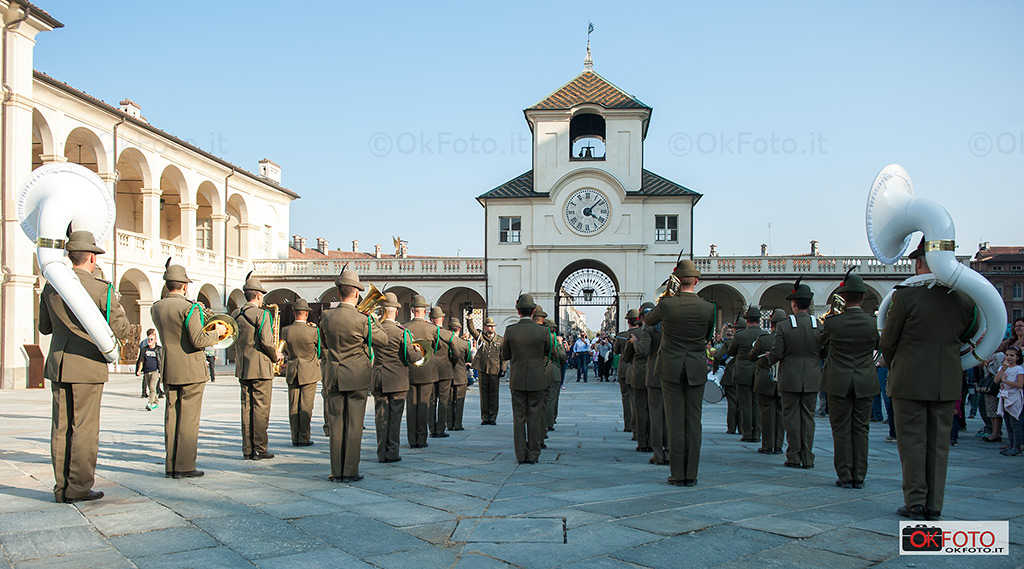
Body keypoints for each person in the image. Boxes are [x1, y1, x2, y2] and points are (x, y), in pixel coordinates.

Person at [881, 238, 978, 521]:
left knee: (912, 442)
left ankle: (916, 502)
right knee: (939, 444)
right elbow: (970, 333)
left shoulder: (905, 296)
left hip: (909, 379)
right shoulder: (964, 298)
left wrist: (897, 360)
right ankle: (935, 504)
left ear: (920, 262)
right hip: (946, 379)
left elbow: (888, 342)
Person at [39, 231, 130, 503]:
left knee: (61, 428)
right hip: (88, 366)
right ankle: (78, 487)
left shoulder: (52, 287)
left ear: (70, 256)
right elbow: (121, 329)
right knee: (84, 428)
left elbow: (44, 327)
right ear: (92, 257)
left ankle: (61, 488)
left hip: (59, 363)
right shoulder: (102, 289)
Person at [151, 261, 227, 479]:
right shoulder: (189, 308)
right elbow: (198, 339)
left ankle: (171, 465)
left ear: (167, 285)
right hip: (191, 369)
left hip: (169, 366)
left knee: (172, 417)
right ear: (184, 286)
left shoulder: (156, 307)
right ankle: (184, 466)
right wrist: (218, 331)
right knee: (188, 420)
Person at [645, 260, 716, 487]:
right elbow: (707, 336)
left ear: (676, 280)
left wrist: (668, 294)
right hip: (695, 366)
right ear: (696, 281)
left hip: (671, 367)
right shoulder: (708, 308)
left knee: (675, 420)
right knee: (694, 421)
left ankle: (678, 473)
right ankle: (691, 473)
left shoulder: (667, 304)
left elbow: (648, 320)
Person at [320, 267, 387, 481]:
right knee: (354, 425)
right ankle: (350, 471)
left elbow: (324, 343)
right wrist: (373, 319)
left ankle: (336, 471)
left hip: (333, 375)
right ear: (357, 293)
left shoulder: (326, 316)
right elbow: (383, 340)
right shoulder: (363, 319)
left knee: (336, 424)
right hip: (357, 376)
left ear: (338, 292)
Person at [817, 272, 879, 489]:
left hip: (838, 381)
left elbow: (819, 344)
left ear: (843, 296)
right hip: (865, 380)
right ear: (862, 297)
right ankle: (859, 475)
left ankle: (845, 475)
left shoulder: (833, 322)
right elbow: (880, 346)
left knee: (841, 429)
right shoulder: (873, 323)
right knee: (861, 429)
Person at [768, 277, 823, 470]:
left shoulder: (784, 326)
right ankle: (807, 457)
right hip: (812, 377)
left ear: (793, 303)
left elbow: (776, 353)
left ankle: (793, 455)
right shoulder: (818, 325)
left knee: (791, 418)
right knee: (808, 418)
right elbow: (824, 351)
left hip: (790, 377)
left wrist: (767, 359)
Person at [230, 273, 281, 460]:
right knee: (261, 408)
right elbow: (266, 342)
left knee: (246, 408)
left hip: (243, 366)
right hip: (260, 368)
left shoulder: (235, 314)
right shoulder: (262, 314)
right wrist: (276, 356)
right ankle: (260, 447)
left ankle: (247, 449)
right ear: (259, 296)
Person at [372, 292, 422, 463]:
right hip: (398, 380)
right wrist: (418, 352)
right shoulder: (402, 332)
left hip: (379, 378)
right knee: (395, 419)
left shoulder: (375, 330)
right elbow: (411, 357)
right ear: (396, 312)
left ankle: (381, 453)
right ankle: (392, 453)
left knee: (380, 418)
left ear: (382, 311)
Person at [501, 294, 550, 463]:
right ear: (534, 311)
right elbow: (549, 352)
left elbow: (505, 355)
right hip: (537, 379)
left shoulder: (510, 330)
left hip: (517, 378)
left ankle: (521, 455)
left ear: (518, 311)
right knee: (535, 417)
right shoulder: (543, 331)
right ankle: (534, 454)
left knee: (519, 418)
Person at [281, 298, 321, 447]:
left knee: (293, 405)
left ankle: (294, 436)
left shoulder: (286, 331)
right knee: (306, 406)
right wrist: (315, 328)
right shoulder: (313, 331)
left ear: (294, 313)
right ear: (306, 313)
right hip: (309, 371)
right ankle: (304, 437)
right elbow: (320, 349)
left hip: (292, 369)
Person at [749, 309, 787, 455]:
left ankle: (767, 444)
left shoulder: (764, 339)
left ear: (771, 324)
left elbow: (751, 357)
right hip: (782, 378)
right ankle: (778, 445)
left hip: (765, 378)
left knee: (765, 413)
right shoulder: (789, 338)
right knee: (780, 413)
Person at [405, 295, 439, 446]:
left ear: (412, 310)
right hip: (427, 371)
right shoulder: (432, 328)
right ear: (425, 311)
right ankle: (422, 439)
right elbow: (436, 348)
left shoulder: (404, 328)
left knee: (411, 406)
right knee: (424, 405)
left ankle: (412, 439)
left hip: (410, 370)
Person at [729, 307, 764, 443]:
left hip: (743, 371)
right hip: (758, 371)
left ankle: (747, 433)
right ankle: (757, 433)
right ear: (759, 320)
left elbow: (731, 352)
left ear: (747, 320)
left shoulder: (740, 335)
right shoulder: (764, 334)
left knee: (745, 404)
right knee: (757, 404)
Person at [637, 312, 667, 464]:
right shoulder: (674, 323)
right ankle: (670, 451)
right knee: (672, 415)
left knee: (656, 415)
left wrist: (635, 343)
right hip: (673, 371)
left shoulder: (650, 327)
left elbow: (643, 350)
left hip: (655, 372)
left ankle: (658, 454)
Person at [625, 303, 655, 452]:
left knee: (640, 409)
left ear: (641, 317)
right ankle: (655, 441)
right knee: (655, 409)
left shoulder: (635, 334)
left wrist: (633, 343)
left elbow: (626, 357)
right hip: (655, 373)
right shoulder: (661, 330)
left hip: (639, 374)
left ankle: (642, 441)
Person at [468, 316, 504, 425]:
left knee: (494, 394)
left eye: (493, 326)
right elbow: (472, 329)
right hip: (482, 368)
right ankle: (485, 417)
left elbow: (503, 356)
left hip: (494, 369)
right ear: (485, 327)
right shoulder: (481, 337)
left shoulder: (500, 339)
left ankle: (492, 417)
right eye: (489, 326)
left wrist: (503, 368)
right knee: (483, 394)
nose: (492, 328)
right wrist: (469, 318)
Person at [428, 306, 455, 438]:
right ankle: (440, 428)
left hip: (430, 369)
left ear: (431, 319)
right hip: (445, 369)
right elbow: (456, 353)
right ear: (442, 319)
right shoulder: (448, 334)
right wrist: (451, 363)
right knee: (443, 400)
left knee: (431, 401)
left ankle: (432, 428)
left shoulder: (427, 332)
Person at [994, 346, 1023, 456]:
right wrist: (1003, 369)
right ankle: (1011, 445)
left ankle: (1017, 447)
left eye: (1012, 355)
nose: (1009, 357)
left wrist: (1006, 382)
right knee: (1008, 423)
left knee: (1015, 423)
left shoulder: (1019, 369)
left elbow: (1019, 384)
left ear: (1017, 357)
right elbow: (996, 380)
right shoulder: (1002, 368)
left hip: (1014, 397)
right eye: (1007, 355)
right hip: (1004, 397)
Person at [615, 310, 639, 434]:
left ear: (628, 322)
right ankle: (638, 426)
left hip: (624, 368)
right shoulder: (643, 333)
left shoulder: (621, 336)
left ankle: (628, 424)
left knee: (626, 396)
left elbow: (616, 351)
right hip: (638, 368)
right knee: (639, 398)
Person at [446, 318, 471, 431]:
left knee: (449, 401)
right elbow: (468, 358)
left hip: (448, 375)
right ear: (459, 329)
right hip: (460, 375)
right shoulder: (464, 343)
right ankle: (458, 424)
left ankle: (449, 424)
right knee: (459, 401)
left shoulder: (445, 342)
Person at [714, 324, 740, 434]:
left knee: (732, 402)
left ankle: (732, 428)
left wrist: (715, 369)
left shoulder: (729, 342)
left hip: (730, 374)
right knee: (745, 403)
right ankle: (745, 429)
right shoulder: (755, 339)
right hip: (746, 374)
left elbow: (718, 356)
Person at [136, 333, 161, 411]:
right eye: (148, 339)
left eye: (151, 339)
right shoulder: (144, 349)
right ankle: (156, 402)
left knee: (152, 387)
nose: (149, 341)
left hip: (155, 371)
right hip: (146, 372)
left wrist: (161, 372)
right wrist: (139, 370)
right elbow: (141, 361)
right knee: (151, 387)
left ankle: (150, 403)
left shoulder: (159, 349)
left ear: (155, 340)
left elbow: (161, 361)